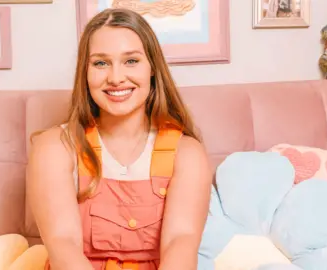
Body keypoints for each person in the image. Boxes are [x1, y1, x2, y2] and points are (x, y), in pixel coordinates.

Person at [27, 8, 213, 270]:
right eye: (101, 63)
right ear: (85, 72)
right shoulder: (54, 147)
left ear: (152, 68)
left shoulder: (186, 153)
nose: (115, 78)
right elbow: (63, 244)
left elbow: (179, 242)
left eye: (131, 61)